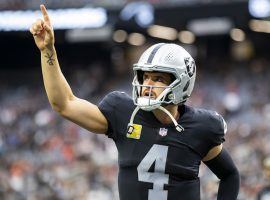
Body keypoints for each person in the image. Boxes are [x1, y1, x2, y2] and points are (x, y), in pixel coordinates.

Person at [30, 4, 240, 200]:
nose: (148, 84)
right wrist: (48, 51)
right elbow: (64, 104)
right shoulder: (123, 113)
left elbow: (229, 175)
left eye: (158, 78)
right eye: (145, 77)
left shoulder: (202, 127)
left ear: (181, 83)